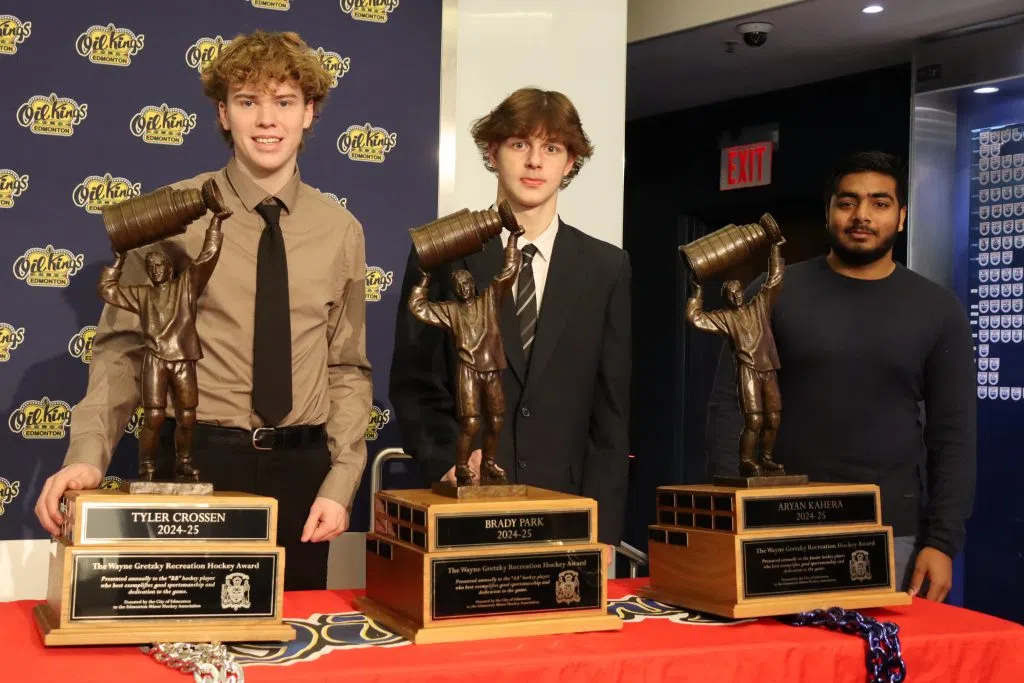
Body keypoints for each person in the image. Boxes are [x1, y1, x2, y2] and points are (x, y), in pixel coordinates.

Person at [34, 30, 373, 591]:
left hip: (301, 469)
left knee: (293, 657)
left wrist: (341, 480)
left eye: (284, 102)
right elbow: (122, 352)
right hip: (196, 465)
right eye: (248, 102)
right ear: (223, 113)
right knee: (186, 647)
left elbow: (346, 368)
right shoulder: (170, 217)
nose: (267, 121)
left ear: (309, 113)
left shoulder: (341, 231)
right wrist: (89, 455)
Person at [705, 151, 976, 601]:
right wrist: (725, 518)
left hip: (893, 534)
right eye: (847, 202)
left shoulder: (938, 309)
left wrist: (943, 541)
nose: (862, 215)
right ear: (829, 212)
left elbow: (954, 434)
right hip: (776, 526)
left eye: (880, 203)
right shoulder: (774, 294)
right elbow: (730, 408)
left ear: (901, 216)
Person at [390, 87, 632, 550]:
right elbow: (413, 383)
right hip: (465, 503)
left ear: (570, 162)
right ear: (492, 151)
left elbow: (612, 411)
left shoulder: (607, 267)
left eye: (553, 148)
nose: (535, 162)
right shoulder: (442, 256)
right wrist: (448, 461)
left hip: (566, 510)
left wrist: (604, 533)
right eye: (521, 144)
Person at [97, 210, 228, 483]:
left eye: (160, 266)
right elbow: (108, 290)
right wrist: (119, 260)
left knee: (187, 418)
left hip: (183, 359)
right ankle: (147, 467)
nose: (156, 270)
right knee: (154, 418)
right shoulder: (142, 295)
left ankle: (184, 463)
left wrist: (215, 224)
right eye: (152, 267)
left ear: (169, 269)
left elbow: (208, 257)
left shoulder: (186, 287)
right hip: (155, 360)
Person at [407, 228, 523, 487]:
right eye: (457, 285)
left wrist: (513, 241)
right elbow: (418, 307)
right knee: (470, 423)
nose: (463, 287)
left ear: (473, 285)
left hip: (492, 369)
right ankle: (461, 465)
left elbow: (509, 271)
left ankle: (489, 462)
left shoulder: (489, 300)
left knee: (495, 421)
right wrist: (424, 280)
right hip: (468, 371)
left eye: (466, 283)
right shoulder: (450, 311)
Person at [686, 225, 786, 478]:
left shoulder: (759, 305)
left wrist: (775, 249)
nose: (736, 295)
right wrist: (697, 290)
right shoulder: (725, 318)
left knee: (772, 419)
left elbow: (774, 279)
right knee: (753, 421)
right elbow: (696, 318)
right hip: (749, 371)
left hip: (769, 369)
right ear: (727, 298)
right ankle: (746, 461)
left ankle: (766, 458)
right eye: (730, 293)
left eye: (738, 291)